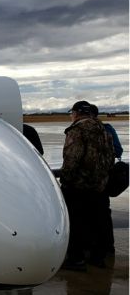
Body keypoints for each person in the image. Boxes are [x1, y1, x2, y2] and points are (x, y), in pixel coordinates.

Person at [60, 101, 115, 270]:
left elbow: (72, 158)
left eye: (72, 113)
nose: (71, 116)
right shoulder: (103, 130)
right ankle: (98, 258)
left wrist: (65, 179)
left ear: (76, 113)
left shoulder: (77, 130)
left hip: (79, 186)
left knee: (76, 222)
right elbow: (111, 156)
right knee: (98, 221)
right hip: (99, 186)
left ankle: (76, 259)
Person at [90, 104, 123, 256]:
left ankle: (91, 248)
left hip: (88, 180)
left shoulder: (79, 130)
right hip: (104, 178)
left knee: (86, 214)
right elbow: (118, 150)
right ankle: (107, 248)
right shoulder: (108, 128)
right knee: (103, 213)